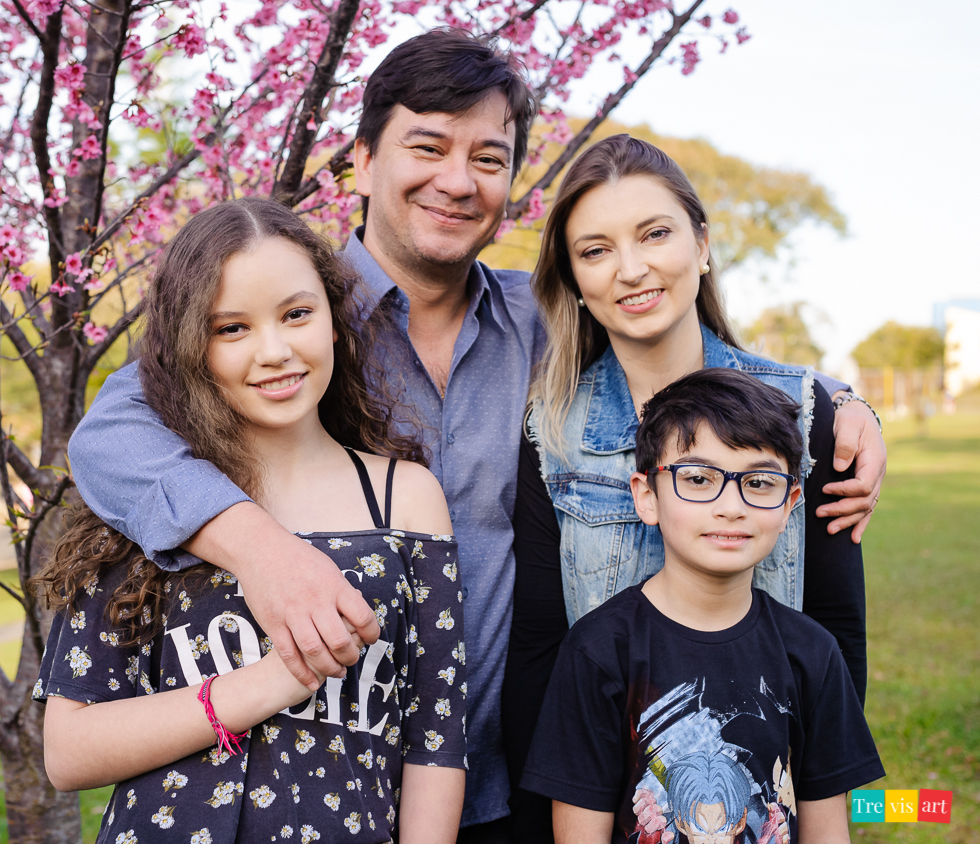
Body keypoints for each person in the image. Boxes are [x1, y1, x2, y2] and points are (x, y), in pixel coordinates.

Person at [66, 31, 887, 839]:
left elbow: (684, 353)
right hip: (319, 775)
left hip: (508, 783)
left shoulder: (551, 321)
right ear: (362, 162)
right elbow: (111, 433)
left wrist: (842, 403)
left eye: (488, 159)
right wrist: (262, 552)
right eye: (427, 147)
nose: (457, 181)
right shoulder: (291, 317)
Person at [32, 198, 467, 842]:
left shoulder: (404, 498)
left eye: (296, 314)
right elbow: (68, 753)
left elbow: (435, 742)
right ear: (191, 349)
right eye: (231, 328)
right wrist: (269, 684)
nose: (274, 351)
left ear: (335, 321)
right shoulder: (151, 499)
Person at [504, 135, 873, 840]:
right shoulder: (550, 432)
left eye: (655, 234)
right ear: (574, 279)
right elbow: (538, 648)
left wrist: (816, 795)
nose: (631, 269)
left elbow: (837, 630)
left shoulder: (811, 415)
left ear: (702, 245)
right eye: (595, 250)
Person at [520, 369, 885, 843]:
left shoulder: (814, 654)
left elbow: (827, 828)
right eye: (697, 478)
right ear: (647, 497)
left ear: (789, 502)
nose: (731, 506)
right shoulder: (597, 652)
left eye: (759, 482)